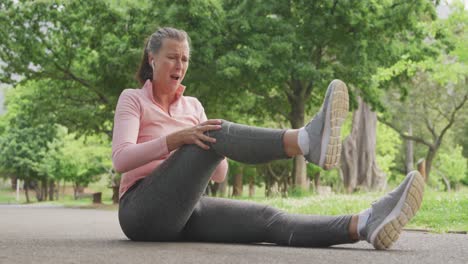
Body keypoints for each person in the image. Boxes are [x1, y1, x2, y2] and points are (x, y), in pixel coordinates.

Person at [112, 27, 424, 250]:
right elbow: (121, 158)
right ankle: (305, 141)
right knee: (213, 132)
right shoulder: (133, 99)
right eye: (171, 57)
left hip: (184, 209)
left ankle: (365, 224)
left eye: (184, 59)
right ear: (152, 59)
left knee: (266, 218)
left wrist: (208, 149)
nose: (179, 65)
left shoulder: (193, 106)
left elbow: (218, 173)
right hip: (141, 211)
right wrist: (180, 139)